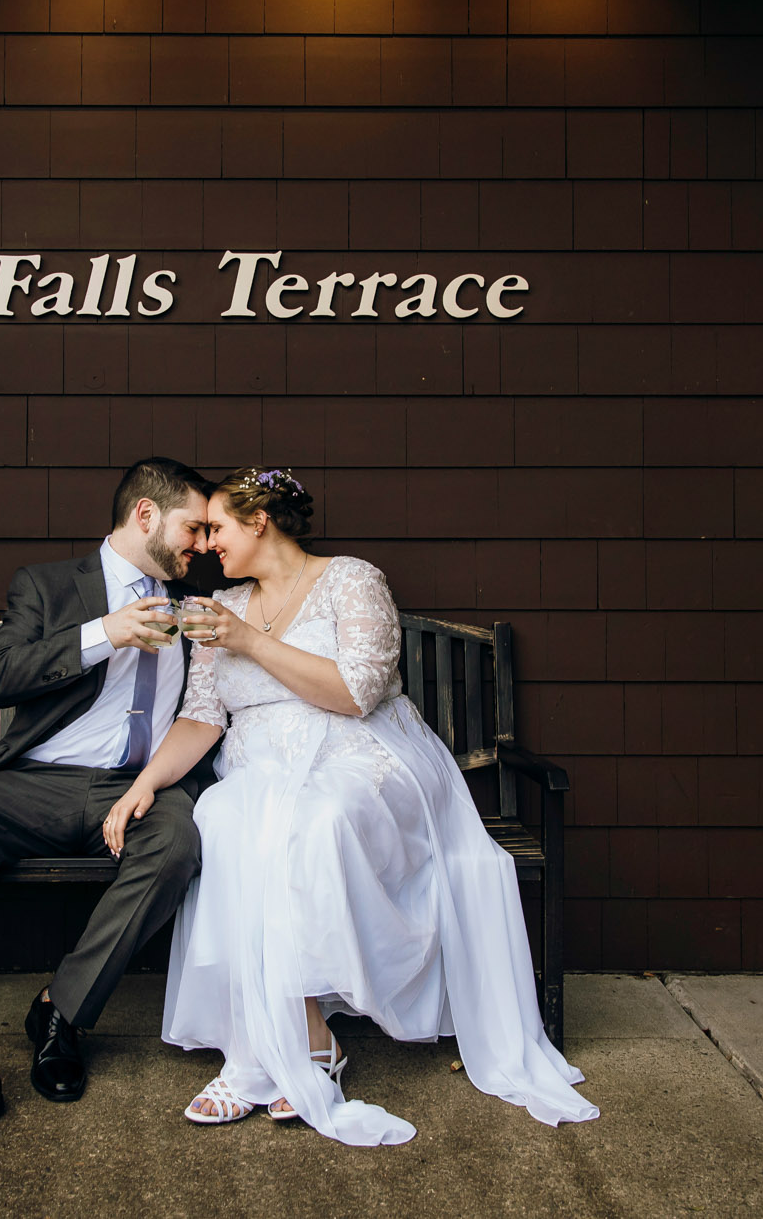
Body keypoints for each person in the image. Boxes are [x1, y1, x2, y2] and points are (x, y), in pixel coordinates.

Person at [100, 467, 599, 1146]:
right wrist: (145, 784)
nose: (208, 543)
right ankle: (286, 1044)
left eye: (217, 526)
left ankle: (291, 1047)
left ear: (259, 520)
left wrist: (248, 641)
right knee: (223, 816)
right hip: (262, 765)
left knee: (313, 818)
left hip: (361, 757)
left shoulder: (352, 579)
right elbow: (201, 718)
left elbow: (357, 692)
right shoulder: (224, 603)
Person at [0, 457, 216, 1169]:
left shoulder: (199, 598)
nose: (202, 542)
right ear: (145, 516)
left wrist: (152, 781)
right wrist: (106, 633)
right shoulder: (51, 584)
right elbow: (0, 676)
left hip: (136, 784)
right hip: (34, 781)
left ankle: (62, 1005)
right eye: (192, 525)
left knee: (180, 839)